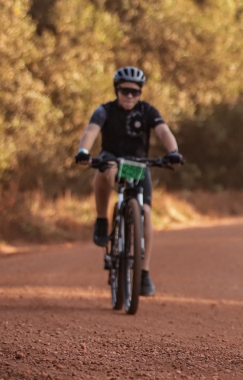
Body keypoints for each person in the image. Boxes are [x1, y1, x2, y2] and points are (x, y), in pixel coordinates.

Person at [74, 67, 183, 296]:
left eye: (135, 92)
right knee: (104, 170)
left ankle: (144, 272)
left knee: (146, 212)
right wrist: (83, 150)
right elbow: (91, 130)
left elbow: (163, 131)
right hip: (112, 158)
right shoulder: (105, 110)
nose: (130, 96)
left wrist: (173, 152)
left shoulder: (147, 111)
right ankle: (102, 220)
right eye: (125, 91)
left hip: (138, 164)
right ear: (117, 90)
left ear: (141, 92)